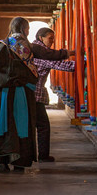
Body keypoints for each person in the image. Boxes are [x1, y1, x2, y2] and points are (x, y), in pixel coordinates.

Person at [0, 17, 74, 173]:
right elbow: (49, 55)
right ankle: (20, 162)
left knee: (4, 126)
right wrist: (68, 53)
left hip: (5, 95)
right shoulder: (29, 47)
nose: (29, 32)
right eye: (27, 29)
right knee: (23, 127)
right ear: (24, 29)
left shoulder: (2, 46)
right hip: (24, 94)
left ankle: (2, 161)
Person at [32, 27, 76, 162]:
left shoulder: (36, 51)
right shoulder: (39, 53)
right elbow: (62, 65)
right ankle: (42, 156)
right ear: (41, 38)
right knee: (43, 126)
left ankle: (35, 155)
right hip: (34, 96)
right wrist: (81, 60)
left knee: (36, 125)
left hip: (32, 95)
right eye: (50, 38)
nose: (52, 42)